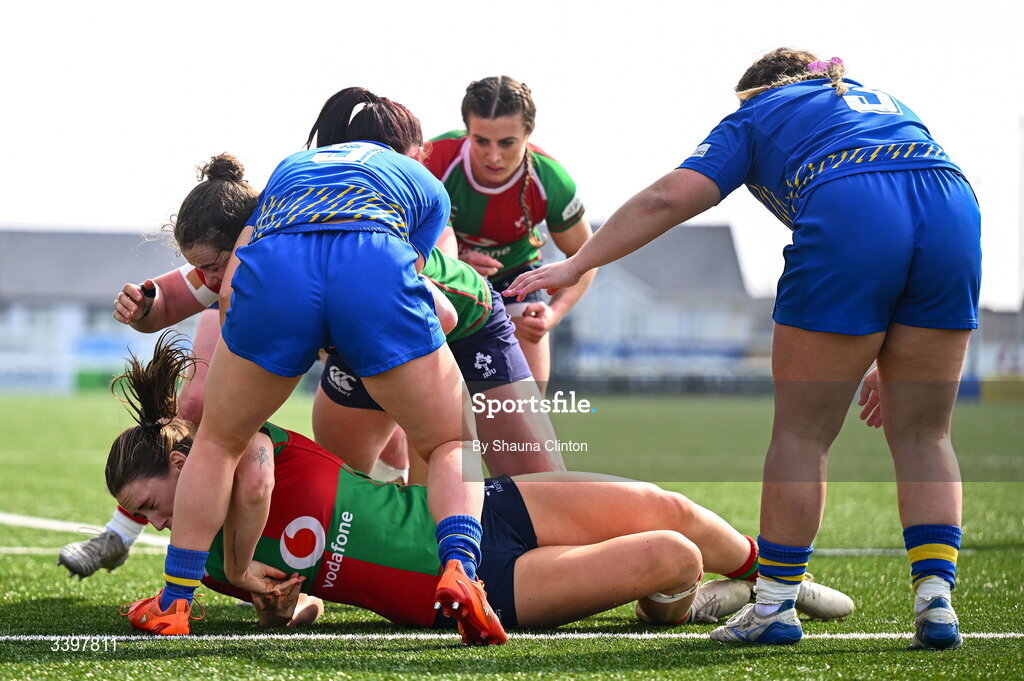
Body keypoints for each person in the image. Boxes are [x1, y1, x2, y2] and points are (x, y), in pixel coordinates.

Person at [503, 49, 979, 650]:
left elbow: (667, 199)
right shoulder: (877, 102)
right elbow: (916, 192)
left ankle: (776, 604)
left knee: (802, 434)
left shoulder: (756, 114)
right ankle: (936, 599)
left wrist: (576, 263)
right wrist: (898, 347)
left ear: (752, 93)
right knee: (926, 434)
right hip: (952, 207)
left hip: (852, 205)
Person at [113, 334, 853, 636]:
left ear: (181, 464)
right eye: (142, 518)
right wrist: (272, 602)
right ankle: (689, 605)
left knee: (669, 506)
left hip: (472, 510)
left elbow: (255, 482)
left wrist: (242, 564)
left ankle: (769, 577)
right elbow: (302, 604)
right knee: (672, 554)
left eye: (149, 505)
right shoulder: (199, 564)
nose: (151, 526)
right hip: (481, 585)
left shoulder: (240, 450)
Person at [122, 87, 508, 646]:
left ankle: (175, 602)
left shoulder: (291, 166)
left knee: (217, 443)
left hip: (278, 271)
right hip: (371, 265)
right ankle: (461, 572)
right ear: (408, 149)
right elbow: (413, 276)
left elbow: (241, 262)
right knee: (451, 443)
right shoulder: (420, 179)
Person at [423, 76, 596, 385]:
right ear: (467, 130)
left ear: (528, 132)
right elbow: (398, 235)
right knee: (425, 415)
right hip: (443, 274)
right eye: (481, 141)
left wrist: (553, 315)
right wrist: (456, 260)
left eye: (506, 143)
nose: (493, 156)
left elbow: (586, 258)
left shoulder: (552, 180)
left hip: (516, 279)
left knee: (526, 412)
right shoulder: (434, 158)